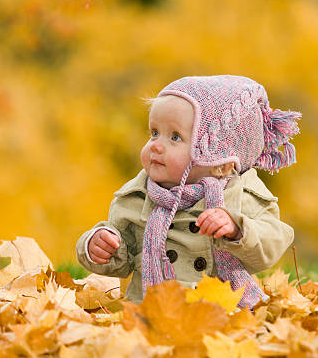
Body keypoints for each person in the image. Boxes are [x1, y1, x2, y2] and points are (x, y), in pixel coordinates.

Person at [76, 75, 300, 308]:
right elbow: (122, 261)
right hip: (151, 311)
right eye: (154, 132)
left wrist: (237, 229)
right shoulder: (138, 196)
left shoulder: (240, 195)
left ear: (219, 160)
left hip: (221, 313)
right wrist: (99, 247)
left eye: (175, 137)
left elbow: (271, 242)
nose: (155, 145)